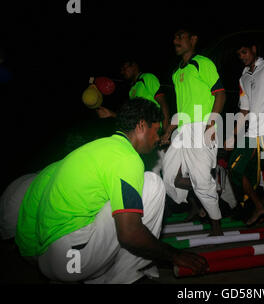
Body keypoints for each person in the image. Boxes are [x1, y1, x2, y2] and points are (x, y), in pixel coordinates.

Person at [9, 98, 207, 283]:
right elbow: (129, 233)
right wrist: (175, 255)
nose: (158, 138)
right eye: (157, 130)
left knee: (116, 197)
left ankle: (100, 276)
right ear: (141, 126)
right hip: (73, 260)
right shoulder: (126, 158)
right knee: (152, 183)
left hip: (48, 259)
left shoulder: (92, 150)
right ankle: (125, 277)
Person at [161, 27, 226, 236]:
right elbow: (182, 109)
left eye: (181, 36)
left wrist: (212, 124)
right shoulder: (176, 72)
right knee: (170, 177)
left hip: (202, 126)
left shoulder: (203, 63)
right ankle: (205, 190)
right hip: (182, 129)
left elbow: (221, 94)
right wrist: (168, 131)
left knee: (199, 177)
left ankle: (216, 223)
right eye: (175, 37)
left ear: (193, 39)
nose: (176, 40)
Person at [225, 40, 264, 228]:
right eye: (239, 55)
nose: (242, 57)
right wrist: (233, 135)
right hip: (252, 132)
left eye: (245, 52)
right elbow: (244, 111)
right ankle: (259, 206)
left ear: (254, 49)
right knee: (234, 168)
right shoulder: (243, 77)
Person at [97, 59, 170, 175]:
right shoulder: (132, 90)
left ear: (134, 66)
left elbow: (163, 103)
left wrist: (165, 131)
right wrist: (111, 114)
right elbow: (133, 118)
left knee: (169, 172)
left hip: (156, 132)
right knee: (150, 173)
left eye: (124, 68)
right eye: (121, 70)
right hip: (144, 137)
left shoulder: (147, 78)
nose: (122, 71)